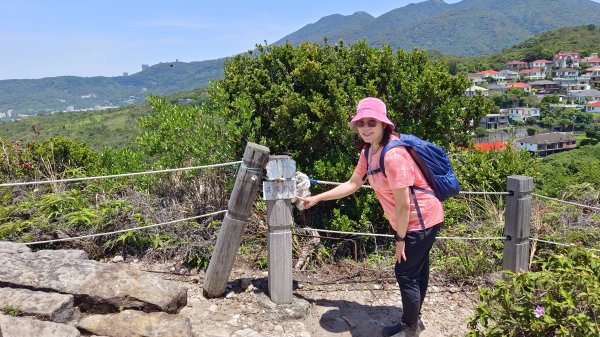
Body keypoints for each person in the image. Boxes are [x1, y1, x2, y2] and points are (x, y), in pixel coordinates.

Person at [297, 97, 444, 337]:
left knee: (405, 272)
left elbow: (404, 204)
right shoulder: (369, 152)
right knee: (415, 270)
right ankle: (413, 321)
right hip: (413, 220)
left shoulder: (393, 156)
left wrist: (400, 238)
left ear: (384, 124)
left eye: (372, 122)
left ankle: (409, 328)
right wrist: (317, 198)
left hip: (422, 220)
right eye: (362, 122)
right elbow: (353, 184)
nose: (366, 127)